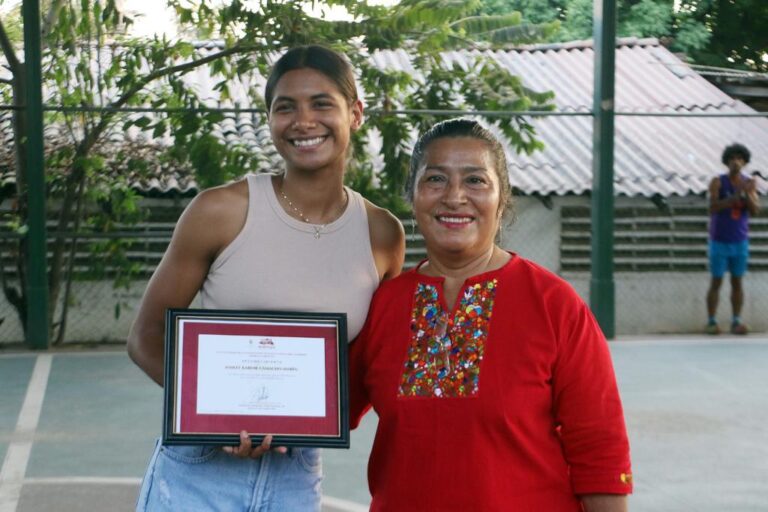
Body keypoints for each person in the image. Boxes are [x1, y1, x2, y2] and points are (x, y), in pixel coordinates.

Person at [127, 45, 404, 511]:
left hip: (295, 472)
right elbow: (144, 338)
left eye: (321, 103)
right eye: (285, 107)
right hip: (199, 468)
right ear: (269, 119)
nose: (303, 121)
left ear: (354, 113)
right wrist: (213, 418)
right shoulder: (221, 211)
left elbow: (361, 365)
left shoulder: (381, 234)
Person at [349, 118, 632, 511]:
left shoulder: (554, 305)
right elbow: (323, 407)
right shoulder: (382, 304)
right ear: (412, 195)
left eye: (475, 181)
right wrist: (246, 424)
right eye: (435, 179)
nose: (454, 197)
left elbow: (599, 449)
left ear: (502, 198)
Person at [705, 143, 760, 335]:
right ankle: (711, 321)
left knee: (737, 282)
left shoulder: (749, 183)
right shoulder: (718, 182)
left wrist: (748, 194)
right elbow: (712, 208)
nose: (736, 162)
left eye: (739, 158)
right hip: (719, 240)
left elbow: (755, 211)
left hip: (739, 240)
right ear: (727, 161)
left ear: (744, 162)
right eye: (732, 159)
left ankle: (736, 320)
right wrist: (735, 195)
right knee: (716, 281)